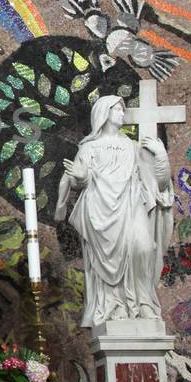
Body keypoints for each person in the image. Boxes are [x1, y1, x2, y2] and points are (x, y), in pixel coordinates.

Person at [54, 92, 172, 327]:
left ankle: (144, 303)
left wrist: (161, 157)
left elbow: (158, 183)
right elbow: (75, 180)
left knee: (144, 247)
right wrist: (79, 179)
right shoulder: (89, 148)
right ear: (103, 114)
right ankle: (114, 305)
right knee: (108, 258)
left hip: (131, 204)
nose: (123, 113)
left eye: (123, 109)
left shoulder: (134, 147)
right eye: (117, 109)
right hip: (100, 209)